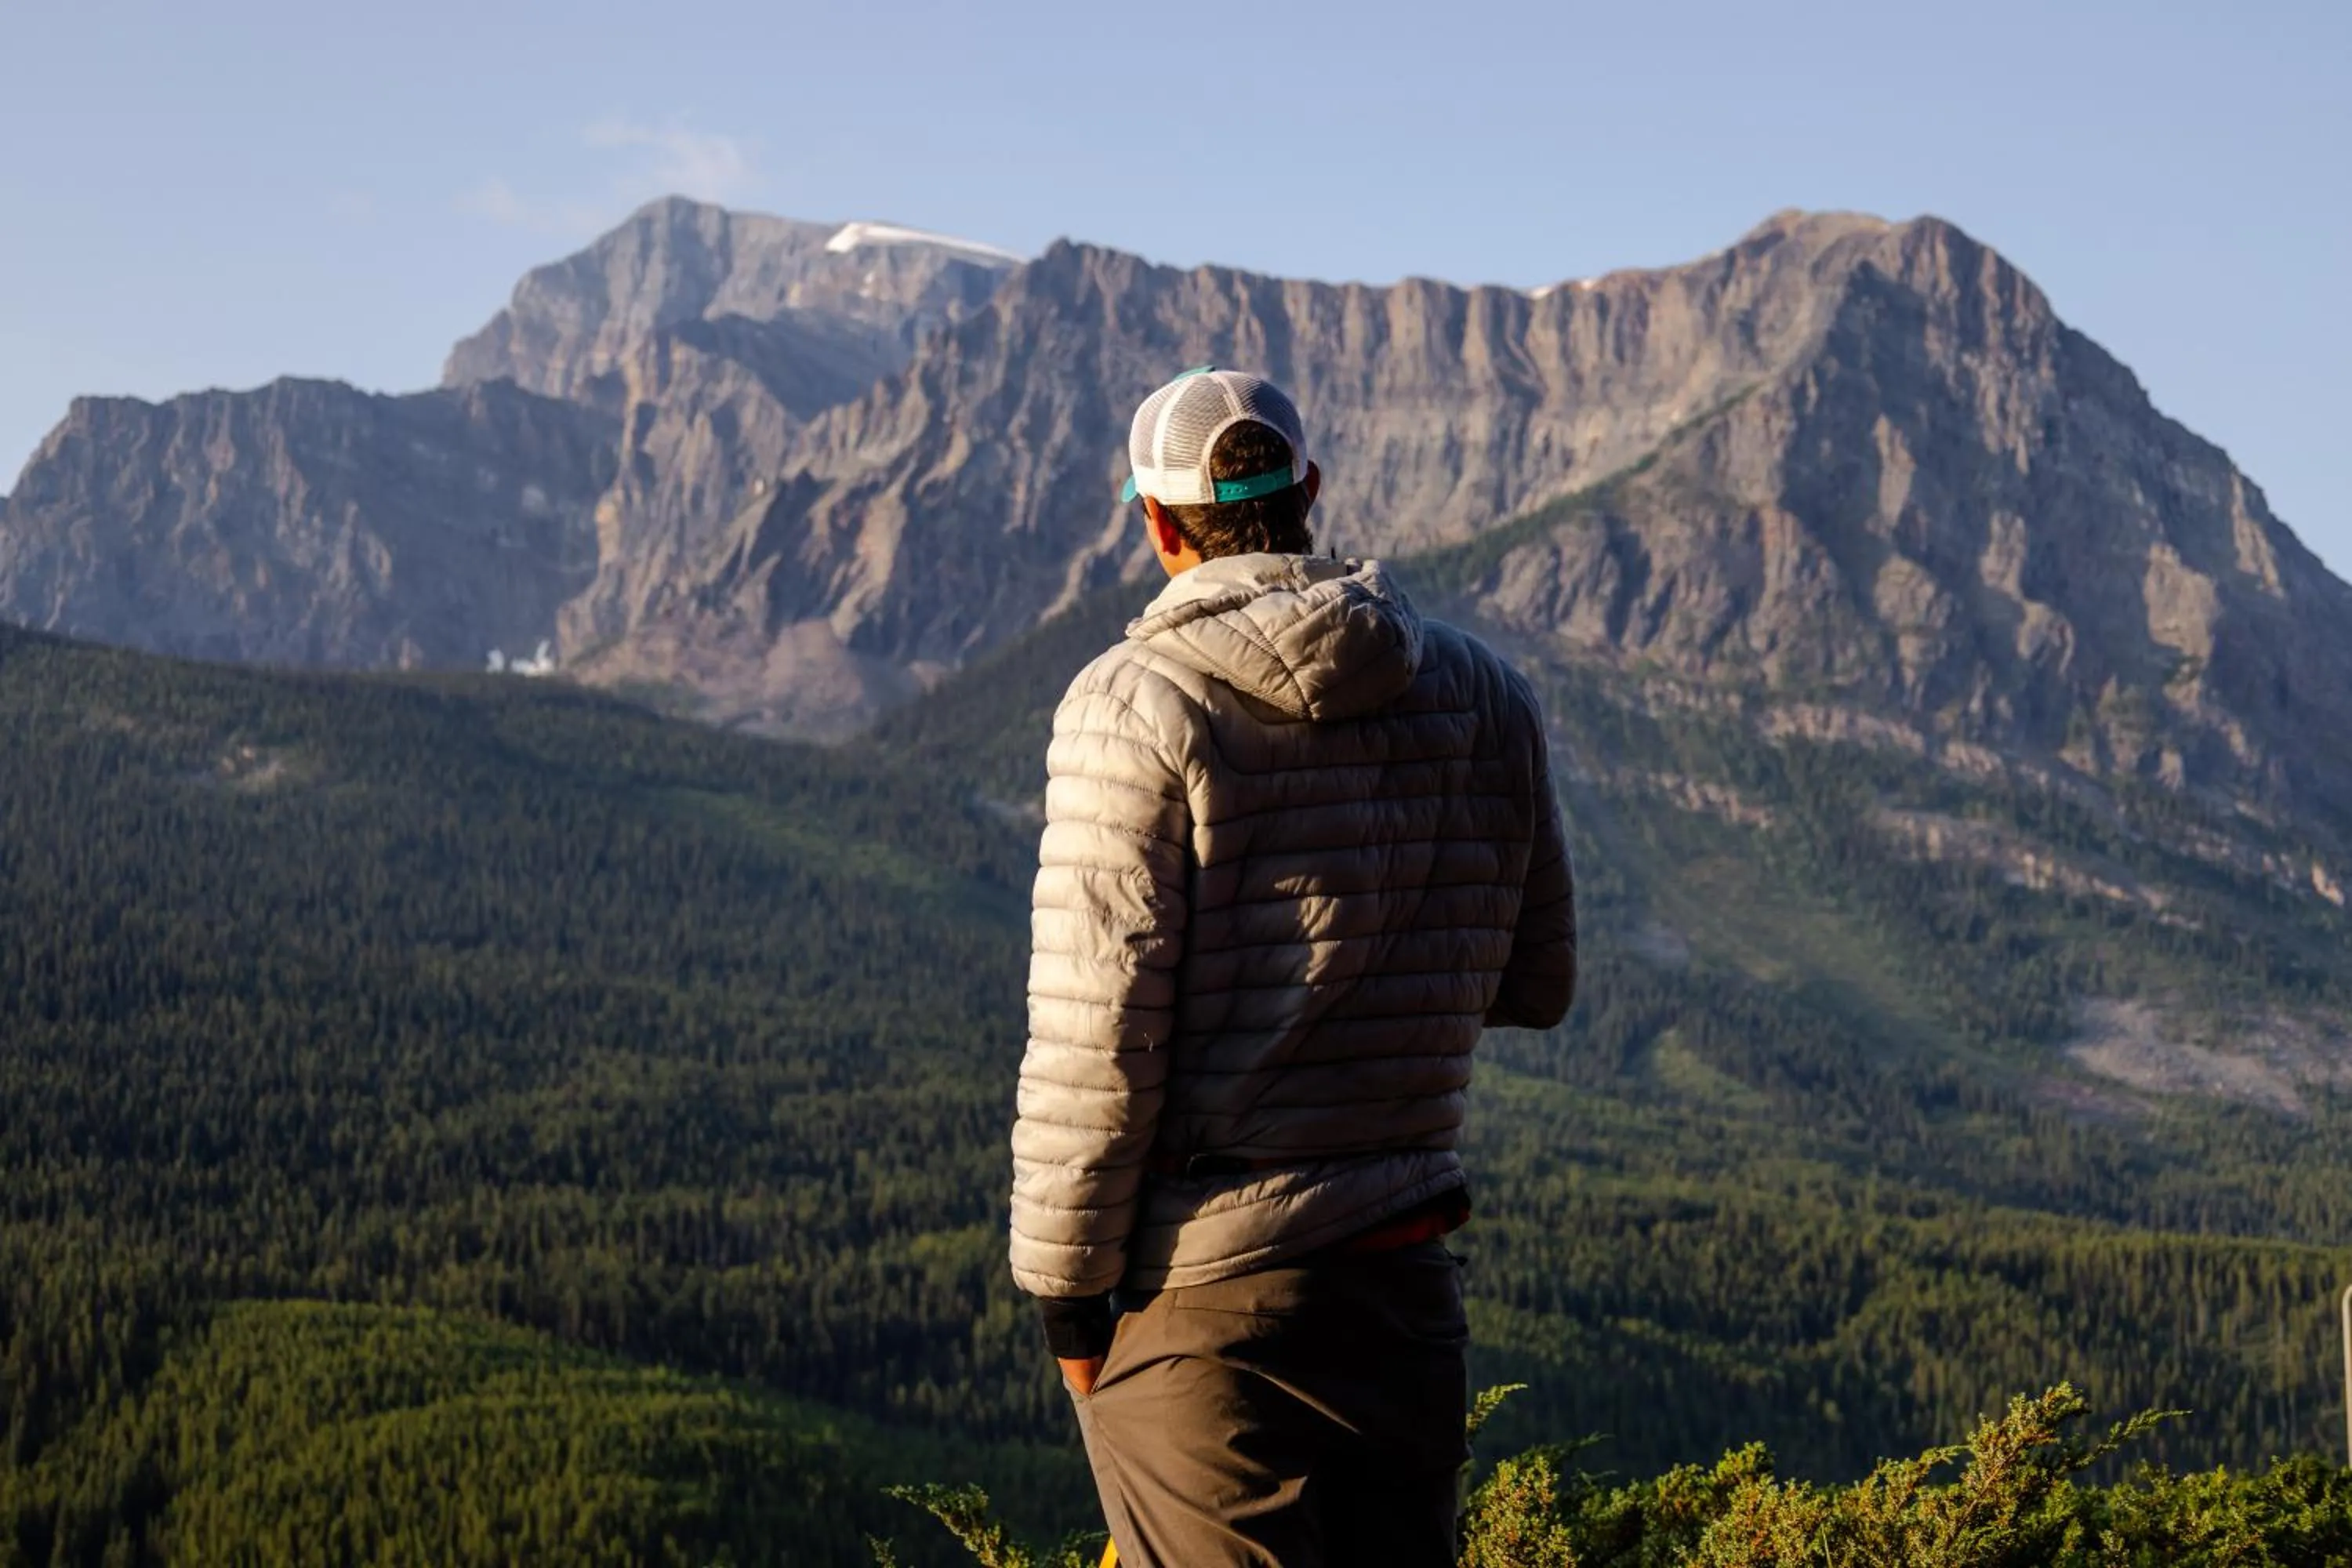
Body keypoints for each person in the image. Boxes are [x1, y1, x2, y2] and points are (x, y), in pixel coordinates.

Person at [1007, 367, 1577, 1567]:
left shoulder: (1134, 702)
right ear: (1310, 490)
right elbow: (1537, 983)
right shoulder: (1486, 693)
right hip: (1407, 1293)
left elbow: (1095, 1048)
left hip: (1211, 1306)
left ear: (1157, 522)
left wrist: (1070, 1304)